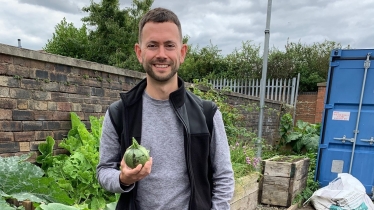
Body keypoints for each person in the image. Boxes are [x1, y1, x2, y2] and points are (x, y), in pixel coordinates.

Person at [96, 7, 234, 210]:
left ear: (182, 52)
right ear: (139, 52)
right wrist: (123, 178)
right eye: (152, 45)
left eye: (169, 45)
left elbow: (223, 177)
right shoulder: (120, 113)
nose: (161, 54)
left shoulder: (207, 114)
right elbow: (103, 171)